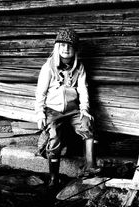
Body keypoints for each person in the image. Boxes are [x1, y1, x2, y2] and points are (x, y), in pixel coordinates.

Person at [35, 28, 99, 187]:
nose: (66, 48)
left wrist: (84, 110)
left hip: (73, 111)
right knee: (55, 137)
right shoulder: (48, 66)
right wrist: (40, 114)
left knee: (87, 128)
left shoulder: (79, 67)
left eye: (70, 45)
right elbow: (40, 92)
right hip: (52, 110)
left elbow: (83, 90)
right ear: (57, 47)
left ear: (75, 49)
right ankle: (53, 177)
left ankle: (90, 167)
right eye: (62, 45)